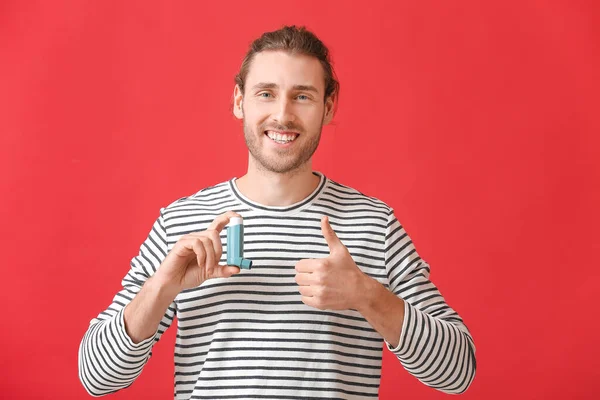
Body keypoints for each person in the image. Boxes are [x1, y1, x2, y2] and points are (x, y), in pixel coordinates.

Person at [78, 25, 476, 399]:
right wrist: (160, 289)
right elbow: (96, 376)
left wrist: (367, 295)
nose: (283, 114)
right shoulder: (180, 222)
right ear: (239, 101)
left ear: (329, 106)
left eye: (302, 95)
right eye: (265, 93)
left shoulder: (374, 225)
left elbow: (458, 372)